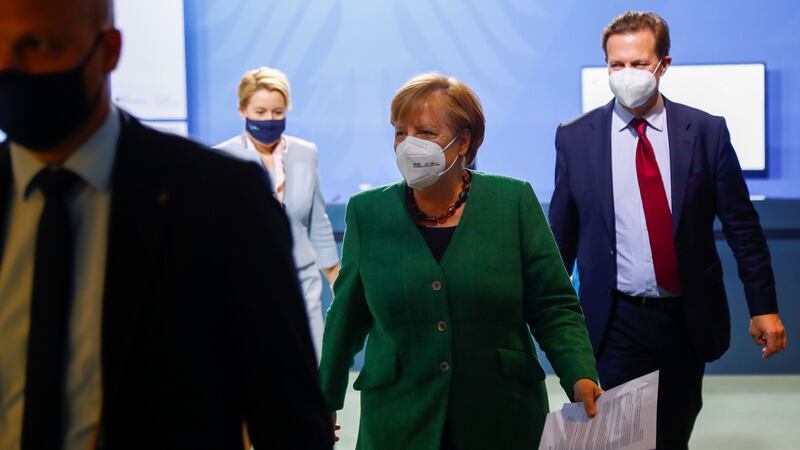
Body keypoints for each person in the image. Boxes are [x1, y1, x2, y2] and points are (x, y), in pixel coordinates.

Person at [0, 0, 332, 448]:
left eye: (40, 45)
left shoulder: (219, 198)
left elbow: (288, 418)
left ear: (108, 50)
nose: (10, 67)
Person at [319, 73, 602, 450]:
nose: (408, 145)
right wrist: (323, 401)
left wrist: (579, 375)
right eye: (400, 132)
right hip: (399, 421)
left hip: (501, 417)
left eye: (425, 132)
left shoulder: (512, 200)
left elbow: (553, 306)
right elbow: (347, 317)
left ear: (463, 141)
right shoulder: (368, 212)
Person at [548, 11, 788, 449]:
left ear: (664, 64)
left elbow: (742, 229)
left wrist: (764, 306)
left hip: (685, 318)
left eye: (638, 64)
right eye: (616, 65)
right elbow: (560, 239)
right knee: (615, 437)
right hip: (613, 319)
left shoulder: (706, 133)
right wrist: (544, 317)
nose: (626, 74)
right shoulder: (576, 138)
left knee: (671, 435)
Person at [216, 67, 340, 360]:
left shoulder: (305, 153)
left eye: (277, 111)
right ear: (242, 110)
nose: (269, 120)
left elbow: (317, 221)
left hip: (302, 282)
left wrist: (337, 281)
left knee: (314, 374)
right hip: (245, 286)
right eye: (260, 111)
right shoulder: (222, 159)